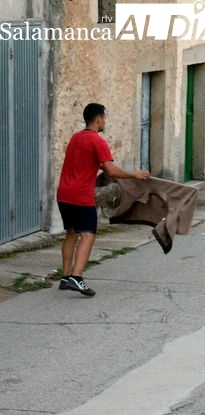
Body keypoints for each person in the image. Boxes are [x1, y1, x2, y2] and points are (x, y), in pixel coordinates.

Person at [57, 103, 150, 296]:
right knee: (88, 235)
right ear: (98, 119)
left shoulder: (76, 138)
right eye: (104, 118)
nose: (104, 122)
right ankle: (77, 277)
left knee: (71, 234)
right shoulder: (97, 141)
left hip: (64, 194)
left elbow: (83, 164)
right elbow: (111, 170)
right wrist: (135, 174)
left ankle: (66, 277)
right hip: (81, 196)